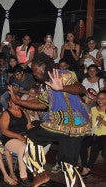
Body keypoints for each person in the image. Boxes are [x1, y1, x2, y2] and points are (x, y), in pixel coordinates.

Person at [8, 53, 91, 187]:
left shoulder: (62, 74)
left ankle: (40, 173)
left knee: (32, 136)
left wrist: (62, 87)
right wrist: (18, 101)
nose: (34, 73)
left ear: (43, 67)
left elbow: (81, 88)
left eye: (35, 70)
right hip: (70, 128)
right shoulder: (46, 85)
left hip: (70, 123)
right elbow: (41, 103)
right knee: (67, 165)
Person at [0, 96, 33, 186]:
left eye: (17, 101)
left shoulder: (24, 112)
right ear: (9, 102)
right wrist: (19, 136)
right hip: (9, 139)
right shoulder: (6, 114)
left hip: (24, 137)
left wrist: (32, 136)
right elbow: (4, 131)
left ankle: (37, 172)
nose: (16, 103)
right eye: (13, 101)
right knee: (23, 148)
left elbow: (29, 127)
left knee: (37, 145)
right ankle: (23, 176)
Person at [80, 90, 106, 178]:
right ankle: (84, 167)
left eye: (103, 99)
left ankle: (88, 168)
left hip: (104, 135)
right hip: (93, 133)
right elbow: (91, 123)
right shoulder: (93, 109)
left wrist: (102, 121)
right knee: (82, 143)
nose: (100, 100)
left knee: (96, 145)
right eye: (99, 98)